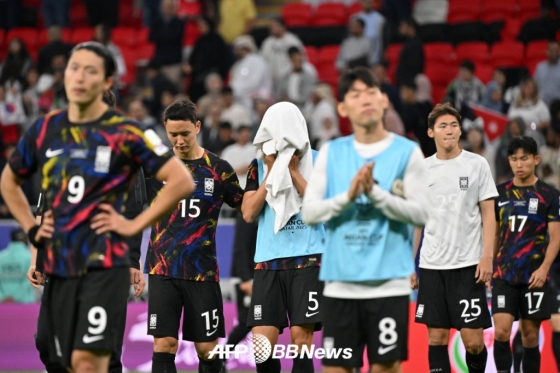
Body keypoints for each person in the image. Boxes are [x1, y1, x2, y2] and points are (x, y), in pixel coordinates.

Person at [0, 41, 194, 373]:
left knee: (95, 357)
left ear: (106, 85)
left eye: (90, 72)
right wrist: (35, 240)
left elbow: (179, 182)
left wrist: (132, 236)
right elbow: (12, 184)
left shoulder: (130, 135)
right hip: (61, 263)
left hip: (106, 265)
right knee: (48, 344)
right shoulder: (47, 131)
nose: (79, 79)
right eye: (74, 69)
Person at [301, 67, 429, 373]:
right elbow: (310, 213)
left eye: (372, 92)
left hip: (389, 286)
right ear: (343, 108)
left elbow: (422, 213)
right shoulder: (332, 152)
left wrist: (376, 196)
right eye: (356, 94)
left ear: (384, 100)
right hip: (341, 286)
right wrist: (349, 195)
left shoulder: (408, 152)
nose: (366, 99)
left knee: (385, 369)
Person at [144, 99, 243, 373]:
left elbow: (247, 210)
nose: (179, 140)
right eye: (173, 134)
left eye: (185, 133)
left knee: (208, 350)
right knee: (164, 345)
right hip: (162, 268)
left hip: (202, 272)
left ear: (197, 127)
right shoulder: (154, 167)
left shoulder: (219, 169)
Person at [412, 103, 497, 373]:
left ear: (460, 129)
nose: (449, 130)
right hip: (432, 266)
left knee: (473, 342)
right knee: (436, 338)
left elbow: (489, 215)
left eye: (453, 125)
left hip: (467, 266)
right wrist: (408, 262)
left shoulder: (477, 164)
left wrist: (487, 257)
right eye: (442, 126)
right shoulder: (421, 170)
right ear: (430, 132)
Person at [243, 102, 325, 373]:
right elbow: (248, 212)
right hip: (268, 262)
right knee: (262, 350)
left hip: (308, 259)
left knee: (302, 344)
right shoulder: (257, 166)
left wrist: (292, 172)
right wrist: (273, 172)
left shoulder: (319, 160)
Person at [491, 135, 560, 373]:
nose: (519, 164)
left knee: (530, 336)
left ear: (536, 159)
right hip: (504, 274)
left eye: (524, 159)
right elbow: (494, 234)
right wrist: (490, 265)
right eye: (514, 159)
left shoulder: (549, 195)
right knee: (501, 331)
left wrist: (544, 268)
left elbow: (556, 237)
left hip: (534, 277)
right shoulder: (498, 193)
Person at [230, 35, 273, 112]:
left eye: (237, 48)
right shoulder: (238, 64)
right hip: (241, 100)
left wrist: (235, 90)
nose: (235, 51)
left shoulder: (257, 61)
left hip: (257, 100)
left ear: (244, 48)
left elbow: (254, 83)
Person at [260, 17, 304, 89]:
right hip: (272, 82)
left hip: (289, 80)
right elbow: (263, 62)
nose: (272, 28)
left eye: (274, 26)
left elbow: (300, 60)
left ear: (283, 27)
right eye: (270, 26)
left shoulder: (293, 41)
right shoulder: (267, 43)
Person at [508, 77, 550, 146]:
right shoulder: (516, 103)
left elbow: (547, 122)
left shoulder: (539, 104)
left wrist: (531, 126)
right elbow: (509, 118)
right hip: (515, 136)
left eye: (531, 87)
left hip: (532, 136)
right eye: (526, 86)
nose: (528, 88)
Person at [0, 227, 35, 303]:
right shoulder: (29, 257)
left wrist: (2, 297)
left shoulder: (1, 257)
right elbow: (28, 281)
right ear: (24, 239)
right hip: (25, 303)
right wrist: (14, 297)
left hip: (2, 303)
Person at [395, 18, 423, 87]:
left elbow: (414, 65)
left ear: (411, 28)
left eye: (403, 26)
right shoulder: (407, 43)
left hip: (409, 82)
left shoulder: (415, 44)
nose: (400, 28)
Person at [355, 0, 385, 65]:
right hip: (358, 54)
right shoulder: (355, 18)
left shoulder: (380, 19)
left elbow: (382, 39)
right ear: (361, 3)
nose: (367, 3)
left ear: (373, 3)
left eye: (369, 1)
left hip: (375, 56)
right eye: (365, 1)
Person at [534, 40, 560, 106]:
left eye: (556, 50)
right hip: (542, 105)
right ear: (547, 51)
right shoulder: (540, 67)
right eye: (551, 50)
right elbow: (535, 86)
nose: (554, 52)